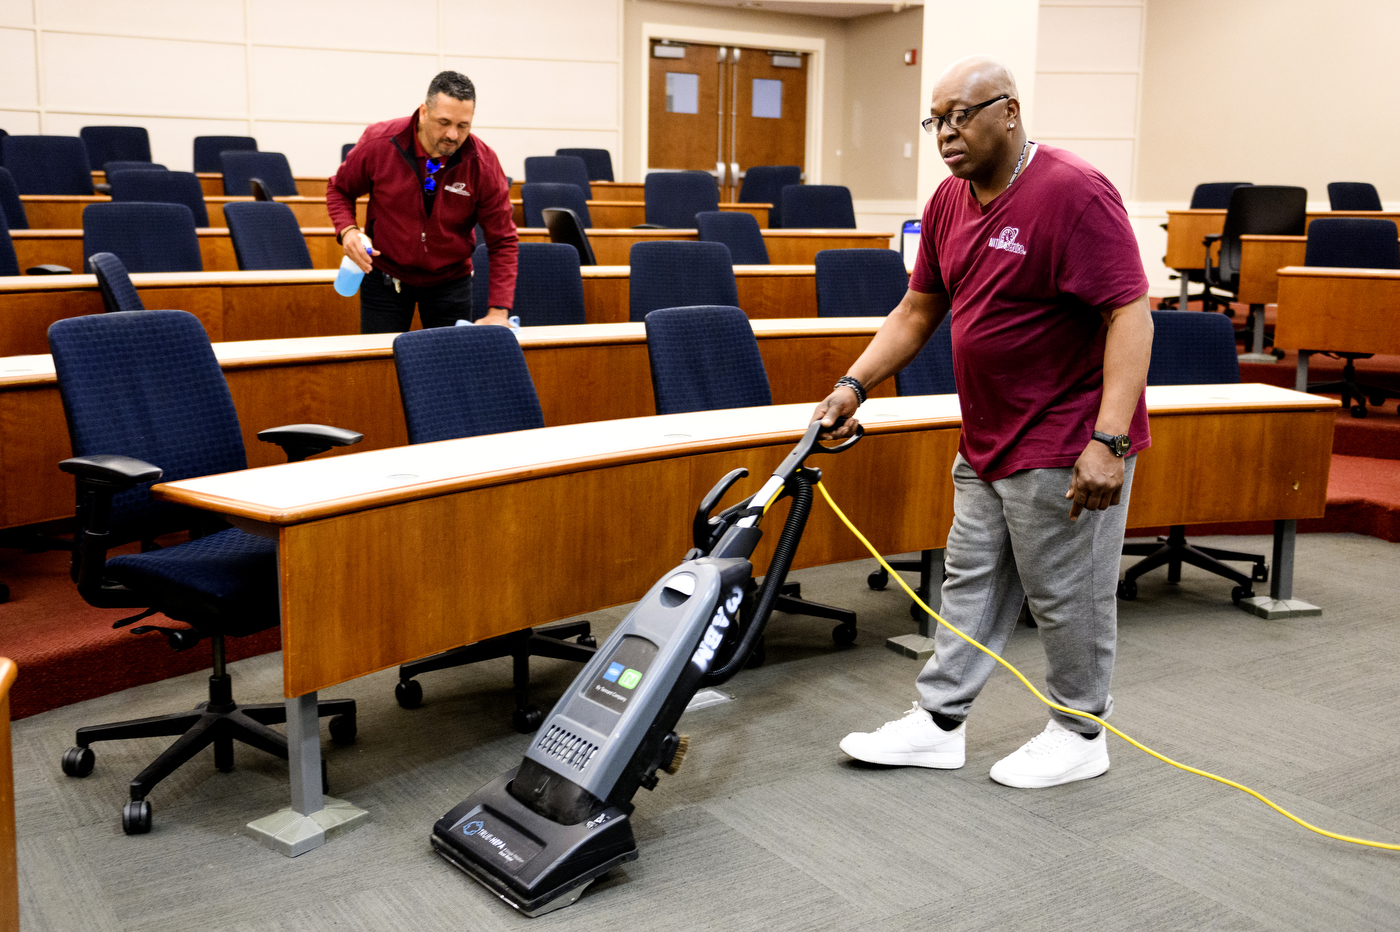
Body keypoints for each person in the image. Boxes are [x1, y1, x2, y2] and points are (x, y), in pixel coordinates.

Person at [813, 56, 1154, 788]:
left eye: (961, 115)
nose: (946, 133)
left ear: (1009, 110)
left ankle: (1079, 730)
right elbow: (918, 309)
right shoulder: (947, 202)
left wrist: (1110, 440)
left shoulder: (1074, 193)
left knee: (1066, 597)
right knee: (969, 582)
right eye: (936, 120)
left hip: (1066, 440)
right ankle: (940, 724)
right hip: (990, 435)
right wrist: (854, 384)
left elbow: (1130, 312)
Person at [327, 71, 517, 332]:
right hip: (384, 277)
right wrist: (347, 231)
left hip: (451, 282)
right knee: (382, 368)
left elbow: (503, 240)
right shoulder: (380, 142)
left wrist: (499, 310)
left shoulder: (483, 163)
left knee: (450, 369)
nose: (452, 135)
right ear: (424, 112)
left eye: (463, 126)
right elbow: (339, 190)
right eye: (444, 122)